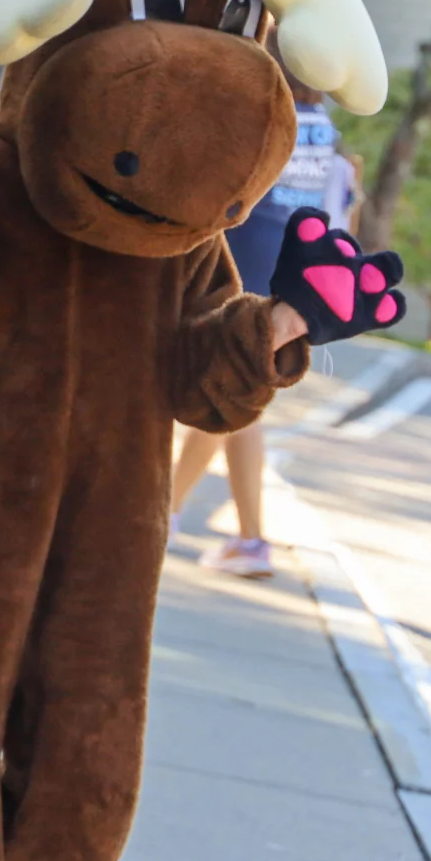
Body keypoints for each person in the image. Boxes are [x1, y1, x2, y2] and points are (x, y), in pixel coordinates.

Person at [167, 67, 351, 579]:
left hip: (242, 267)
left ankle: (238, 536)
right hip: (284, 273)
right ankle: (179, 515)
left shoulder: (273, 116)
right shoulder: (322, 125)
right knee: (225, 404)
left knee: (235, 400)